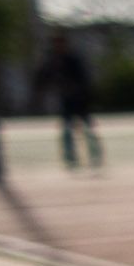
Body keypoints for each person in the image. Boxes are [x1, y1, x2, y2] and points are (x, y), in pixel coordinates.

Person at [37, 28, 103, 170]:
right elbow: (43, 77)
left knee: (87, 129)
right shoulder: (52, 60)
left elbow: (85, 80)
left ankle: (95, 155)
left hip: (80, 100)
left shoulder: (74, 60)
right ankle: (71, 159)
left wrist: (83, 93)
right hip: (65, 101)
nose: (58, 46)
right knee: (67, 130)